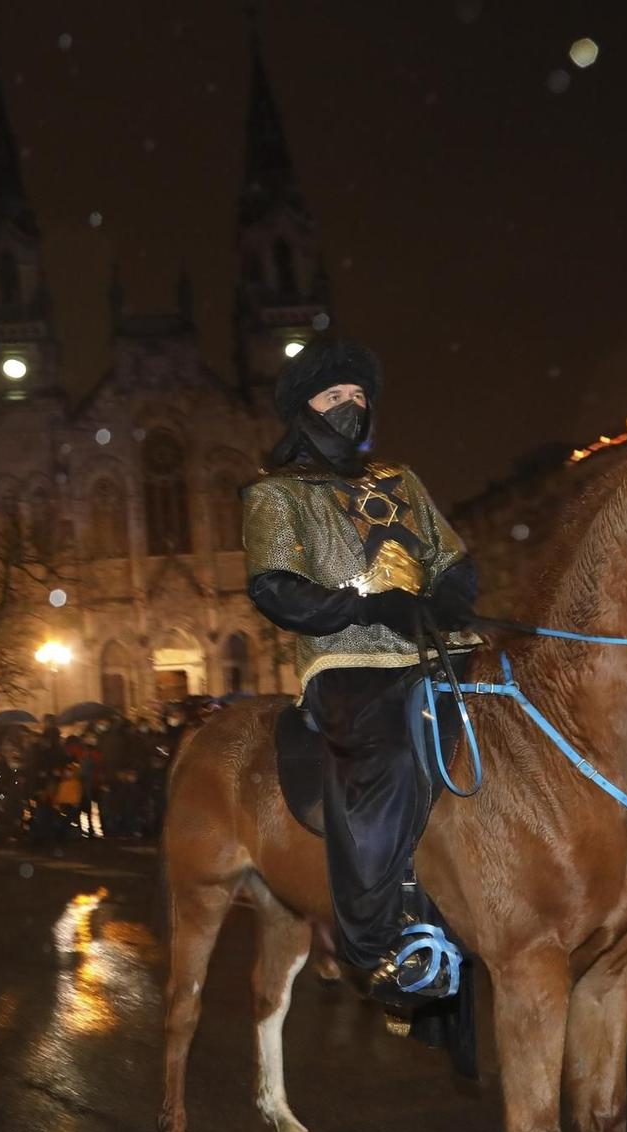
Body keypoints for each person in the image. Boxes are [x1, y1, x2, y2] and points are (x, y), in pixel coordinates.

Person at [242, 334, 479, 1007]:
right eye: (334, 394)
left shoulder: (400, 480)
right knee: (391, 754)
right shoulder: (277, 493)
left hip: (434, 648)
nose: (351, 403)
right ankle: (380, 941)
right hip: (348, 663)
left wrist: (449, 593)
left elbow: (448, 556)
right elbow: (276, 588)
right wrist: (372, 606)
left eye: (358, 394)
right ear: (305, 410)